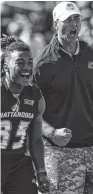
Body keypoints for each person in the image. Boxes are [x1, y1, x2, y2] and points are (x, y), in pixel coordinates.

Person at [34, 2, 93, 194]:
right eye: (67, 20)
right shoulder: (42, 63)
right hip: (60, 152)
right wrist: (52, 133)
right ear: (56, 24)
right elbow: (31, 110)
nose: (74, 24)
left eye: (77, 19)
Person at [1, 36, 50, 194]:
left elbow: (36, 140)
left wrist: (41, 171)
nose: (27, 68)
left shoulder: (35, 95)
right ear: (5, 67)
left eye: (30, 62)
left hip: (19, 164)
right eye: (19, 63)